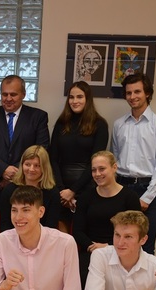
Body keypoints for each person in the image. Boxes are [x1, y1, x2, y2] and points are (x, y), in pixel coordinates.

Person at [72, 151, 141, 290]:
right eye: (94, 170)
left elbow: (135, 232)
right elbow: (78, 231)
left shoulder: (129, 197)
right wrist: (93, 247)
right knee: (82, 277)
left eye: (102, 169)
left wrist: (109, 247)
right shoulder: (86, 196)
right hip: (91, 250)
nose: (97, 174)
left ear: (114, 168)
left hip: (121, 251)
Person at [0, 75, 50, 254]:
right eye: (4, 94)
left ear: (23, 94)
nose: (8, 98)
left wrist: (16, 173)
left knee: (24, 234)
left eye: (13, 94)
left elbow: (42, 148)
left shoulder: (38, 117)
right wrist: (3, 170)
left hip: (26, 186)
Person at [111, 73, 156, 254]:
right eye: (129, 93)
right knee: (119, 242)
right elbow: (113, 159)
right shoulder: (119, 124)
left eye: (137, 92)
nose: (132, 96)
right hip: (121, 187)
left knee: (146, 245)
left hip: (146, 188)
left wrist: (147, 197)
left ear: (147, 93)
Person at [49, 81, 108, 231]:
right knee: (62, 238)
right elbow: (53, 159)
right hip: (61, 189)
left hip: (87, 187)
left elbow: (95, 163)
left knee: (83, 235)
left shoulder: (100, 124)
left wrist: (73, 191)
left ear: (87, 99)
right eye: (71, 97)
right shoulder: (61, 123)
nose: (75, 101)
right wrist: (62, 190)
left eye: (79, 97)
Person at [0, 145, 60, 232]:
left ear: (44, 168)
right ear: (22, 165)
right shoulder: (9, 190)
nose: (31, 169)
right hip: (14, 237)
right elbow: (5, 225)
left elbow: (51, 228)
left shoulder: (52, 193)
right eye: (27, 164)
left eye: (37, 166)